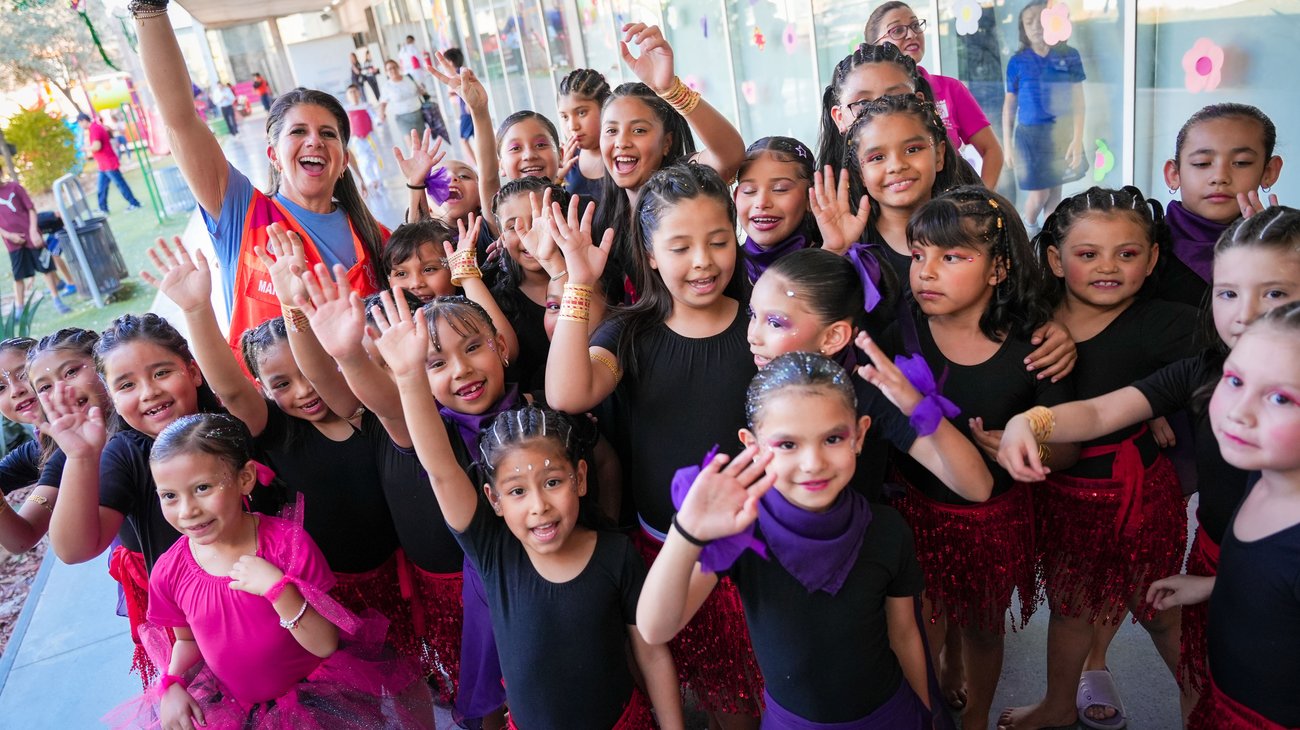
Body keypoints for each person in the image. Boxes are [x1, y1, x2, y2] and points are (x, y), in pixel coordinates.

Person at [999, 205, 1300, 721]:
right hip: (1225, 564)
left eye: (1273, 293)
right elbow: (1101, 411)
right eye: (1228, 293)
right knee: (1213, 683)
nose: (1246, 313)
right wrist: (1031, 422)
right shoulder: (1203, 367)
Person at [371, 286, 684, 727]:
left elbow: (650, 655)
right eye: (517, 491)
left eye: (552, 482)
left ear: (579, 478)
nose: (539, 507)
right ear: (493, 500)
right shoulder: (493, 554)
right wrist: (407, 376)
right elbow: (441, 470)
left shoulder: (617, 556)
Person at [547, 163, 763, 727]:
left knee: (764, 684)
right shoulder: (630, 331)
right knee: (717, 691)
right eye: (681, 247)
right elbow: (568, 393)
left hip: (757, 543)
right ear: (650, 254)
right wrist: (578, 284)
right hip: (669, 546)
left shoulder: (762, 325)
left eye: (719, 241)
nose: (703, 261)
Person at [639, 352, 932, 727]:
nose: (813, 463)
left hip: (891, 716)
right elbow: (656, 628)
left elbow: (905, 633)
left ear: (859, 436)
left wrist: (924, 712)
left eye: (832, 438)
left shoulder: (888, 529)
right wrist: (687, 533)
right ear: (753, 446)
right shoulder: (743, 532)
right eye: (788, 445)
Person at [998, 187, 1198, 730]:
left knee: (1159, 609)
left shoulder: (1167, 322)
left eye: (1126, 254)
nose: (1108, 267)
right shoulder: (1029, 319)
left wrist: (1159, 403)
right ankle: (1058, 704)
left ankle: (1205, 705)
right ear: (1055, 259)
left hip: (1138, 500)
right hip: (1063, 500)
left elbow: (1229, 345)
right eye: (1088, 254)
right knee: (1070, 609)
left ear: (1151, 260)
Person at [104, 413, 435, 729]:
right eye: (169, 496)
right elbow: (187, 640)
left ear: (245, 479)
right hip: (235, 709)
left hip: (317, 704)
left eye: (203, 488)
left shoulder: (287, 546)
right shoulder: (170, 571)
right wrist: (173, 683)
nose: (187, 510)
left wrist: (279, 590)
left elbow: (324, 644)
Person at [885, 187, 1075, 730]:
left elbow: (1069, 444)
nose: (927, 272)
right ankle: (930, 705)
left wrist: (1033, 449)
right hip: (914, 512)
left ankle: (976, 720)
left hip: (992, 522)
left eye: (952, 257)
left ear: (998, 269)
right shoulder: (900, 330)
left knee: (983, 629)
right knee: (923, 623)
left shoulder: (1034, 348)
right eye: (918, 255)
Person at [134, 3, 386, 351]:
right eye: (298, 131)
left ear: (344, 161)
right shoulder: (242, 212)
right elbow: (180, 119)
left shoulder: (374, 235)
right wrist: (149, 8)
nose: (314, 141)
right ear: (273, 156)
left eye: (328, 134)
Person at [1145, 302, 1300, 730]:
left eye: (1280, 397)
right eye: (1234, 381)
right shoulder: (1265, 484)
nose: (1237, 411)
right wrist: (1214, 585)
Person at [44, 313, 223, 684]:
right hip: (196, 636)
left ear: (193, 371)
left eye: (161, 373)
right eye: (127, 384)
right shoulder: (126, 454)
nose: (149, 392)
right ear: (112, 396)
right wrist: (80, 457)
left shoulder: (230, 426)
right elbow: (74, 549)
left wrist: (196, 309)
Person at [749, 249, 992, 504]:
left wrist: (917, 407)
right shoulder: (760, 370)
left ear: (833, 337)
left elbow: (978, 488)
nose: (753, 335)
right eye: (753, 315)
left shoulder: (868, 395)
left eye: (775, 323)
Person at [865, 1, 1004, 188]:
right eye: (897, 30)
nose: (912, 34)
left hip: (952, 202)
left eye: (915, 25)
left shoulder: (950, 88)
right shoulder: (867, 99)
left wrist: (981, 199)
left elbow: (992, 150)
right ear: (874, 47)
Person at [1163, 104, 1283, 291]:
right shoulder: (1140, 247)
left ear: (1269, 172)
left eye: (1241, 162)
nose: (1220, 177)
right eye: (1202, 163)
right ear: (1174, 174)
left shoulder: (1289, 250)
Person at [1002, 0, 1087, 231]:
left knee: (1055, 195)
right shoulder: (1017, 62)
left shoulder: (1069, 55)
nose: (1036, 27)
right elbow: (1009, 106)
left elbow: (1078, 102)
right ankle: (1027, 231)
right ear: (1022, 28)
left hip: (1060, 133)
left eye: (1041, 20)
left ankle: (1047, 240)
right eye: (1029, 22)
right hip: (1030, 137)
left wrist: (1077, 139)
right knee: (1040, 194)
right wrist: (1007, 146)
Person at [0, 174, 70, 314]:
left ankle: (57, 300)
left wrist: (33, 231)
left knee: (46, 268)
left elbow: (31, 209)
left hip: (33, 238)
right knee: (18, 276)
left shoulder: (14, 187)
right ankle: (20, 310)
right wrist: (9, 236)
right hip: (13, 243)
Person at [557, 68, 612, 202]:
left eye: (581, 113)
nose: (572, 126)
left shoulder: (623, 154)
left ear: (605, 108)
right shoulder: (564, 162)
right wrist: (556, 179)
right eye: (565, 117)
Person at [76, 113, 143, 215]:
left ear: (84, 120)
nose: (80, 126)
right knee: (101, 187)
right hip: (103, 164)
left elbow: (97, 146)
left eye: (80, 123)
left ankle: (134, 203)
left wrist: (85, 149)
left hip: (108, 163)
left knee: (120, 184)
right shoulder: (94, 128)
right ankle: (103, 208)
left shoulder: (95, 129)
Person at [342, 84, 382, 197]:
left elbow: (374, 117)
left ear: (359, 93)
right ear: (347, 96)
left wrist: (379, 121)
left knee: (375, 157)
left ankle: (378, 180)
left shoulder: (366, 106)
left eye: (355, 91)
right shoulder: (347, 109)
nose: (353, 94)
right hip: (357, 139)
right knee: (363, 160)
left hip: (370, 137)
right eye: (351, 92)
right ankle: (369, 181)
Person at [379, 59, 429, 142]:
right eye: (390, 69)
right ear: (386, 72)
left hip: (418, 114)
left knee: (421, 142)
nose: (393, 70)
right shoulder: (386, 86)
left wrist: (422, 90)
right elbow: (383, 102)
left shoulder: (409, 78)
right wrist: (381, 113)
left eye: (394, 67)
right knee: (412, 143)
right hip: (402, 118)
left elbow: (420, 91)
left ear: (398, 67)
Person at [442, 47, 477, 165]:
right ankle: (478, 163)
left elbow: (468, 89)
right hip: (467, 111)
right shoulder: (462, 72)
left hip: (467, 112)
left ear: (450, 62)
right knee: (474, 138)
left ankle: (477, 165)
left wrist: (468, 105)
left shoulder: (459, 73)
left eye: (445, 62)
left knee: (463, 140)